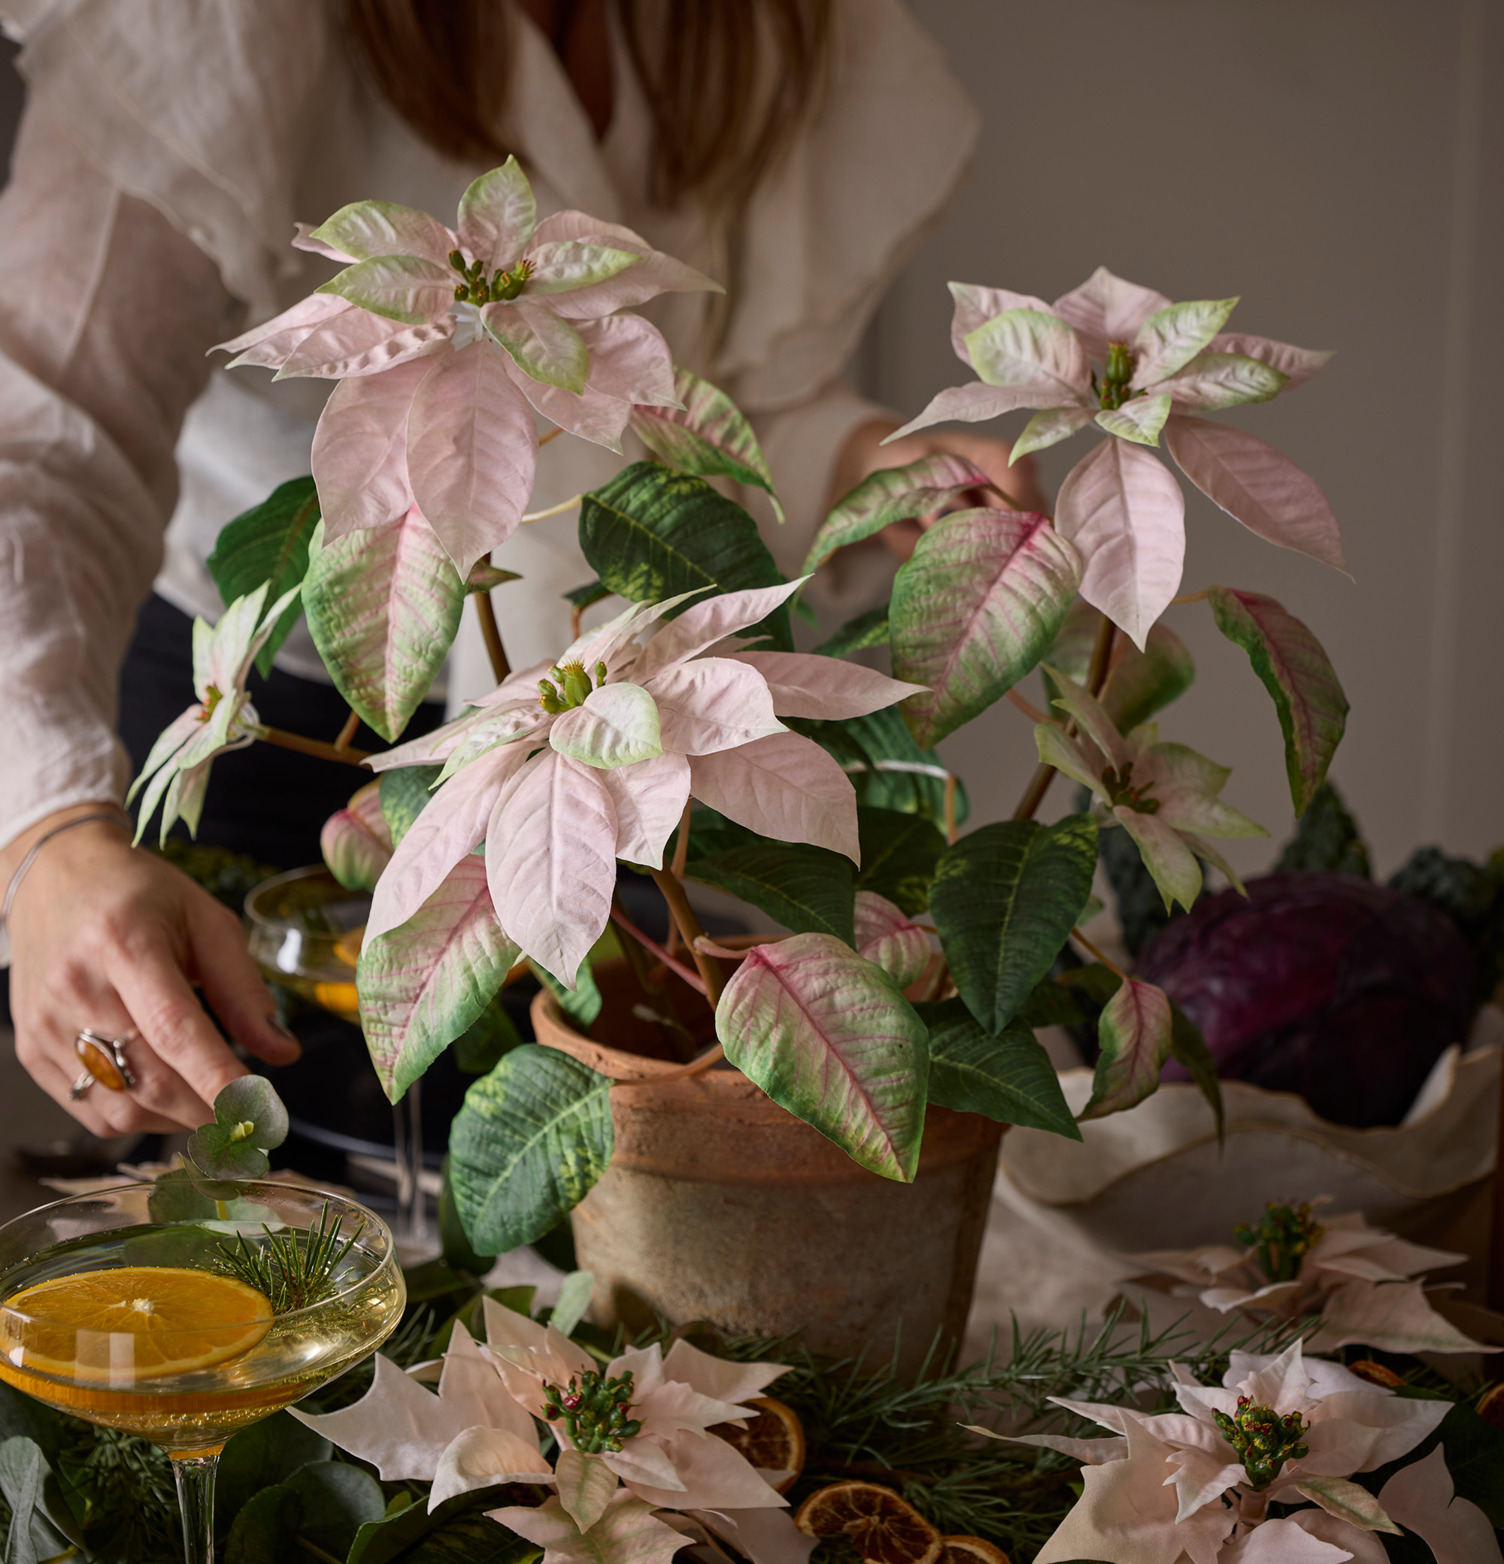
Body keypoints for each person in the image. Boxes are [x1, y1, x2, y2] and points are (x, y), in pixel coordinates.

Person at [0, 0, 1034, 1138]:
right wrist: (46, 832)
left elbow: (672, 411)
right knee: (262, 1207)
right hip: (260, 735)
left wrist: (866, 467)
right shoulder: (224, 26)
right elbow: (41, 439)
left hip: (586, 734)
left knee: (550, 1175)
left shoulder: (750, 30)